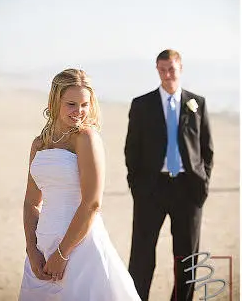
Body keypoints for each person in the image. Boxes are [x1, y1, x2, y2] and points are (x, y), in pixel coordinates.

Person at [19, 69, 141, 301]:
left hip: (79, 246)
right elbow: (31, 202)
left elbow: (92, 203)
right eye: (71, 104)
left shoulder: (86, 138)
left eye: (85, 105)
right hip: (42, 244)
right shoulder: (39, 144)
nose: (79, 112)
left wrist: (62, 254)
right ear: (55, 101)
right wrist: (32, 249)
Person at [124, 49, 214, 301]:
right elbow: (131, 149)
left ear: (180, 68)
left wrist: (202, 184)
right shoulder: (141, 104)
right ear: (157, 70)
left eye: (171, 69)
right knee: (142, 254)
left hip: (188, 189)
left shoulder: (197, 103)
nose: (167, 74)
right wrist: (137, 186)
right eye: (162, 69)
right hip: (151, 189)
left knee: (187, 258)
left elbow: (207, 149)